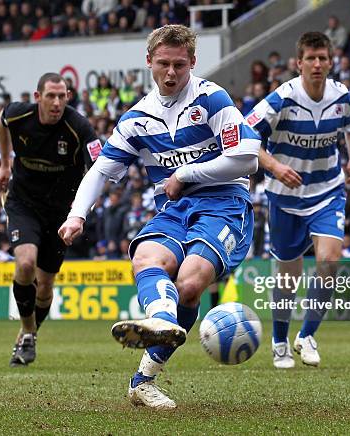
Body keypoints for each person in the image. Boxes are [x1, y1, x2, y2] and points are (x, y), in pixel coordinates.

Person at [58, 25, 259, 409]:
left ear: (193, 63)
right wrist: (77, 216)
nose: (171, 73)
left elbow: (246, 159)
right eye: (163, 64)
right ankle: (161, 323)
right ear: (148, 61)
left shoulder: (212, 100)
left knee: (189, 283)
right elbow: (101, 171)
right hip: (173, 210)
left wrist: (184, 174)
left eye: (179, 65)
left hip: (224, 204)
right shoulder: (137, 118)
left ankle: (144, 376)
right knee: (147, 257)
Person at [245, 32, 350, 369]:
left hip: (327, 190)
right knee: (288, 277)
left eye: (322, 58)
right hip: (284, 197)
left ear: (330, 61)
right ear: (299, 63)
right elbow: (246, 136)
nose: (317, 64)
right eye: (310, 58)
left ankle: (307, 335)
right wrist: (275, 167)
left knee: (328, 262)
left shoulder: (341, 97)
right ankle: (280, 341)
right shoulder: (281, 99)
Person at [0, 72, 100, 367]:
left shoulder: (78, 127)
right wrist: (4, 164)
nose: (57, 103)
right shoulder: (19, 115)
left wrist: (83, 209)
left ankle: (27, 334)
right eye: (51, 96)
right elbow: (1, 120)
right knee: (25, 263)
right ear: (38, 97)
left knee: (45, 285)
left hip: (60, 213)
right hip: (23, 203)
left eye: (62, 96)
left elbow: (99, 166)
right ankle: (28, 334)